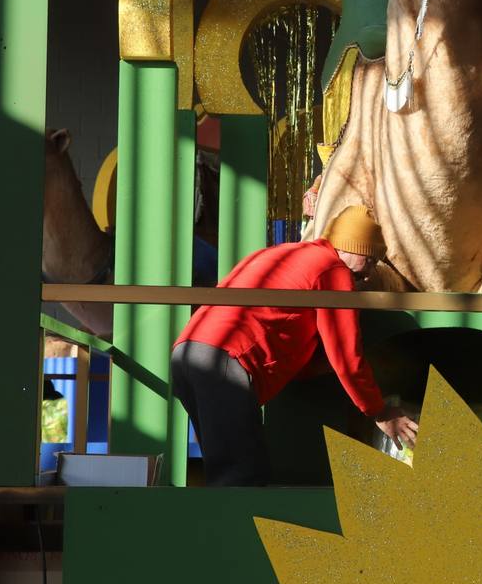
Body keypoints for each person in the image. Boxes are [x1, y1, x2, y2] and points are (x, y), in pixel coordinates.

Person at [171, 205, 417, 486]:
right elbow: (347, 355)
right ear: (354, 247)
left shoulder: (280, 254)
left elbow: (277, 329)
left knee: (225, 474)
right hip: (224, 364)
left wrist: (322, 367)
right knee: (243, 481)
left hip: (187, 355)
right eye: (371, 260)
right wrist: (380, 411)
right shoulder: (332, 269)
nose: (371, 273)